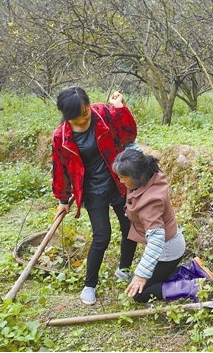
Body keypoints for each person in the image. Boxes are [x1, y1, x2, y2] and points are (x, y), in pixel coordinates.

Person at [51, 86, 138, 305]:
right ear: (66, 116)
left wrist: (120, 108)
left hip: (116, 180)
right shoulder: (61, 137)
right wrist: (63, 200)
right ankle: (89, 285)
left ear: (89, 106)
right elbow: (60, 168)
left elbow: (129, 133)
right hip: (92, 189)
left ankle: (124, 269)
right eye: (76, 118)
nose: (83, 119)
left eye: (85, 112)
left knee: (129, 226)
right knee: (102, 236)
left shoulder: (102, 113)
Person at [112, 149, 213, 303]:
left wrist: (141, 274)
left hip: (167, 250)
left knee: (140, 293)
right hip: (171, 242)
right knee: (149, 279)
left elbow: (156, 240)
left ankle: (191, 286)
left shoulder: (150, 202)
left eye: (123, 178)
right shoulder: (148, 176)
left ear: (136, 176)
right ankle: (190, 270)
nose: (121, 182)